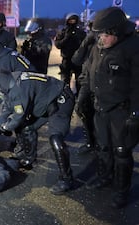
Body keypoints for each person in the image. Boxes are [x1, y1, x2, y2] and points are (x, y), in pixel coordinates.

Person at [79, 7, 139, 209]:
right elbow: (89, 74)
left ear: (116, 32)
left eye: (105, 35)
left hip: (122, 110)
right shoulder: (98, 48)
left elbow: (138, 84)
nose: (101, 39)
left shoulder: (133, 47)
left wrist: (135, 113)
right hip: (101, 107)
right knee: (103, 146)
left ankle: (121, 189)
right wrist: (83, 98)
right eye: (99, 34)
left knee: (121, 151)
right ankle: (105, 176)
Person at [0, 68, 75, 195]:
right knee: (28, 128)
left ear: (1, 86)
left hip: (60, 100)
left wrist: (4, 127)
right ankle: (29, 158)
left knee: (56, 139)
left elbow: (17, 117)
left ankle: (66, 179)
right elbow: (7, 107)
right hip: (46, 102)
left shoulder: (18, 89)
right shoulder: (12, 81)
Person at [0, 37, 36, 115]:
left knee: (8, 106)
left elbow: (2, 86)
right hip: (30, 80)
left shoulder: (3, 62)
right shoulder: (7, 53)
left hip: (28, 85)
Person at [71, 13, 97, 154]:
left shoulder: (110, 42)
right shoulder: (89, 42)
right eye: (92, 27)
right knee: (80, 108)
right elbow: (76, 59)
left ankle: (100, 142)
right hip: (87, 80)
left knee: (100, 113)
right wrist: (86, 42)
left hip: (103, 82)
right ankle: (90, 141)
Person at [54, 13, 86, 92]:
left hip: (78, 59)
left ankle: (79, 99)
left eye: (74, 20)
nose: (72, 22)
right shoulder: (63, 32)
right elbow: (58, 44)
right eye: (70, 20)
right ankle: (66, 97)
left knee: (79, 81)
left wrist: (77, 40)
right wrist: (66, 38)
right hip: (66, 59)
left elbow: (85, 45)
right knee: (65, 81)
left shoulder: (80, 32)